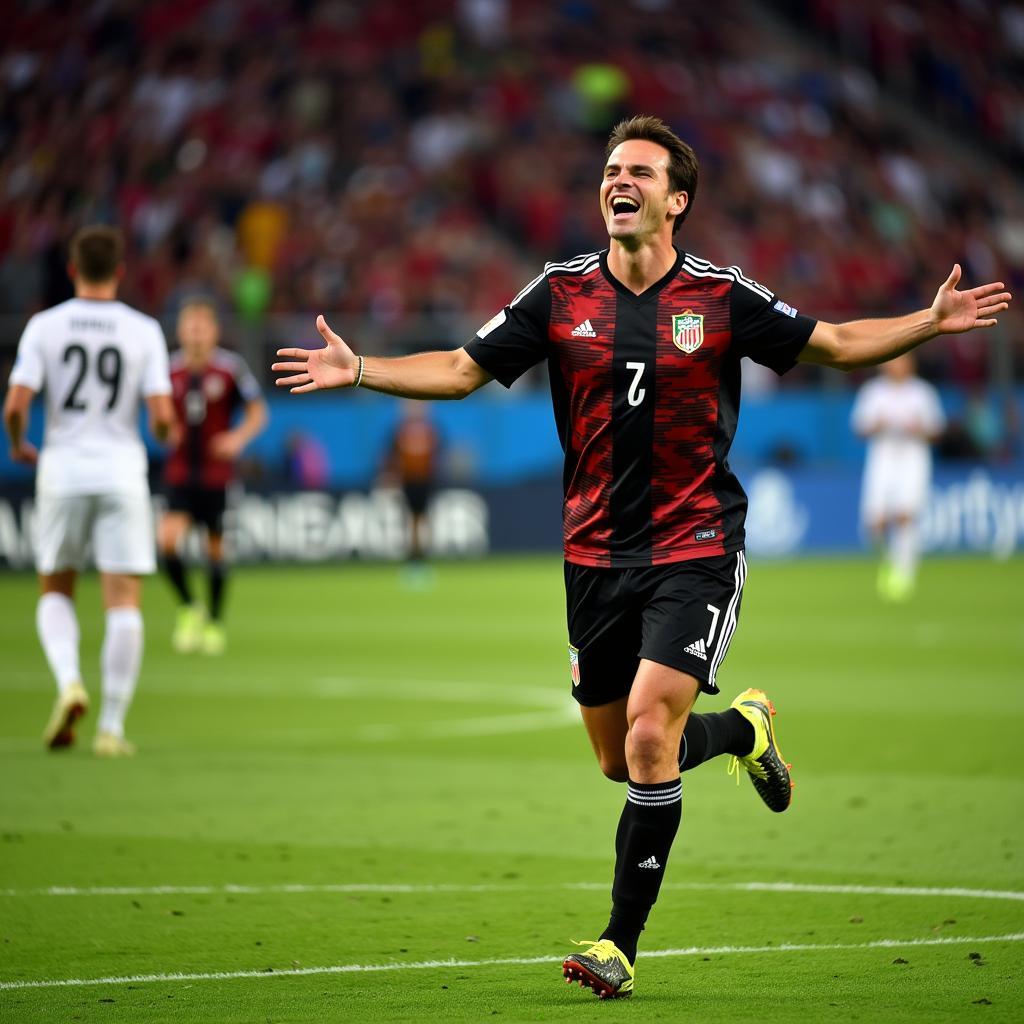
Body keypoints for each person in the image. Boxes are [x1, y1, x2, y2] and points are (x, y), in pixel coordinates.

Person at [272, 115, 1011, 999]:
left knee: (651, 736)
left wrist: (926, 324)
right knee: (619, 762)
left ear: (676, 200)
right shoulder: (559, 294)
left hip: (695, 544)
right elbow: (463, 369)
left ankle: (618, 945)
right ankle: (744, 729)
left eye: (640, 172)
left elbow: (835, 345)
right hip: (592, 557)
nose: (619, 181)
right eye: (612, 169)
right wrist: (363, 370)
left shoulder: (721, 296)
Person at [3, 224, 174, 757]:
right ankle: (112, 728)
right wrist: (164, 431)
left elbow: (14, 406)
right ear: (121, 272)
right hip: (122, 469)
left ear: (73, 270)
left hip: (64, 467)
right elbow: (163, 419)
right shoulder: (143, 330)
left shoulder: (43, 327)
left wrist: (18, 445)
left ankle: (69, 681)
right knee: (123, 600)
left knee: (56, 588)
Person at [158, 298, 267, 655]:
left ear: (214, 332)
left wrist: (237, 439)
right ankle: (191, 607)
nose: (196, 334)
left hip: (217, 476)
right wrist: (164, 431)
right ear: (180, 332)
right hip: (179, 473)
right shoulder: (166, 371)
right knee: (167, 542)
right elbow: (155, 415)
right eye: (190, 327)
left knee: (216, 552)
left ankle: (216, 623)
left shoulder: (230, 369)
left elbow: (258, 412)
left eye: (202, 327)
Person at [851, 354, 945, 600]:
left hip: (913, 457)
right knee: (875, 522)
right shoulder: (873, 392)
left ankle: (904, 572)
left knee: (905, 515)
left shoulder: (923, 393)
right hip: (882, 457)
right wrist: (876, 426)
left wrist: (920, 429)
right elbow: (860, 428)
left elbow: (936, 431)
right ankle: (888, 562)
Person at [382, 400, 441, 584]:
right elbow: (390, 456)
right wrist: (390, 476)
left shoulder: (430, 429)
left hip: (425, 481)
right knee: (409, 521)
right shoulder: (400, 430)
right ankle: (412, 559)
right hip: (407, 481)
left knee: (423, 520)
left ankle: (422, 557)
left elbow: (439, 454)